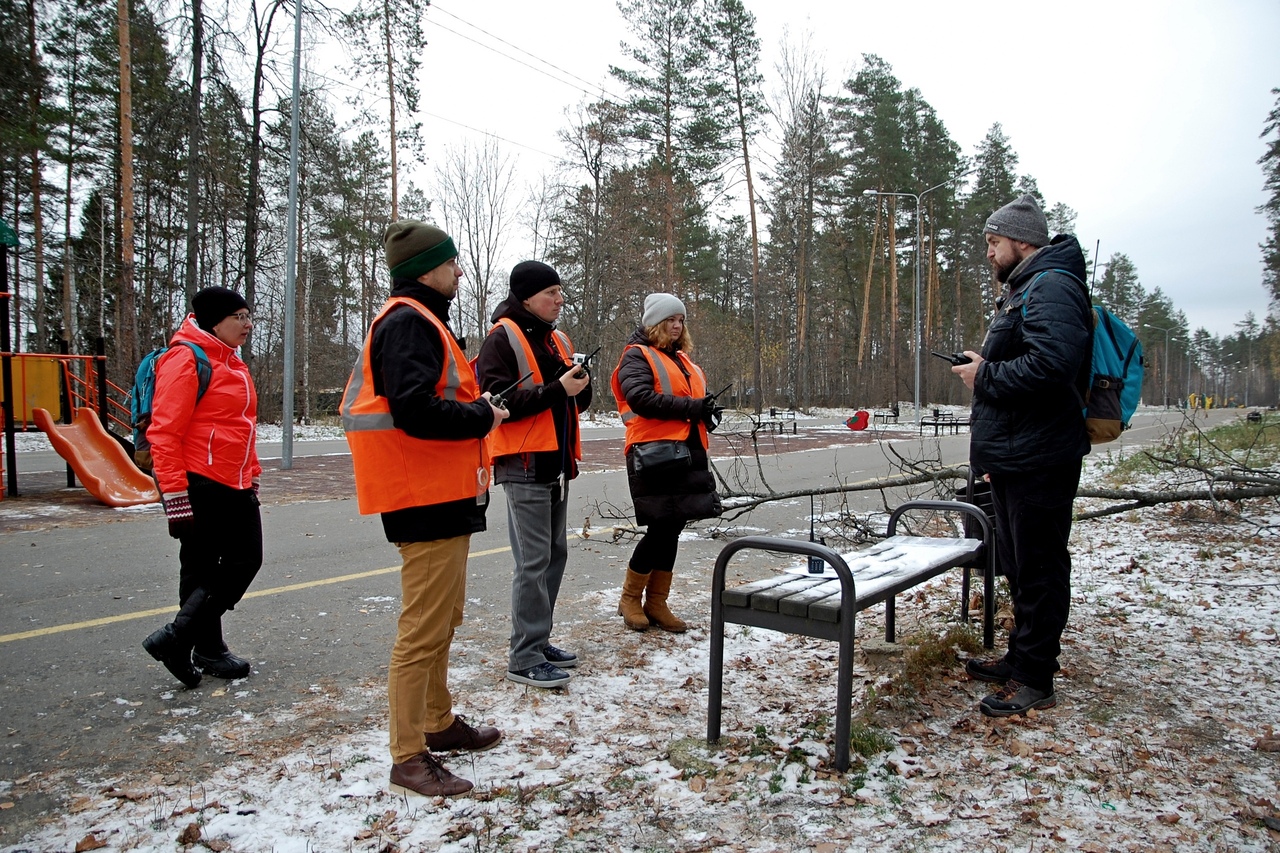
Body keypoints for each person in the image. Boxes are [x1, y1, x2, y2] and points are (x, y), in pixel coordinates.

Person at [341, 220, 509, 797]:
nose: (460, 269)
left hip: (442, 493)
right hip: (423, 497)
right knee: (421, 629)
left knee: (442, 619)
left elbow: (426, 402)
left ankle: (437, 724)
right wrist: (484, 416)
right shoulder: (409, 323)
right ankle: (407, 753)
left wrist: (476, 410)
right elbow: (413, 410)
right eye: (452, 261)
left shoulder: (422, 320)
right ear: (426, 269)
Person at [949, 194, 1093, 718]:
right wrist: (987, 365)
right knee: (1019, 565)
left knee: (1039, 566)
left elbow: (1052, 367)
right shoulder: (1028, 287)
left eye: (993, 242)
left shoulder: (1052, 286)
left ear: (1022, 241)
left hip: (1041, 457)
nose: (988, 253)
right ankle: (1021, 658)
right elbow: (1033, 362)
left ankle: (1037, 677)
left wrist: (984, 375)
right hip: (1018, 454)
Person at [475, 261, 592, 689]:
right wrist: (558, 389)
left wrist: (580, 384)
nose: (559, 299)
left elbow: (574, 404)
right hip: (523, 465)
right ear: (526, 297)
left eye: (561, 291)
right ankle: (523, 655)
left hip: (557, 465)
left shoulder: (557, 338)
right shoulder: (500, 339)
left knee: (554, 556)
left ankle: (539, 643)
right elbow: (498, 404)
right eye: (551, 292)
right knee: (533, 561)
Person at [142, 287, 263, 688]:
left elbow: (241, 427)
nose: (247, 324)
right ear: (215, 321)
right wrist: (175, 497)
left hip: (236, 481)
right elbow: (164, 432)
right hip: (199, 481)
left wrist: (253, 470)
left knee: (246, 559)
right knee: (200, 566)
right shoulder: (186, 358)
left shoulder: (233, 362)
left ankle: (180, 638)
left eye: (248, 316)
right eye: (239, 317)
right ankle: (206, 646)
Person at [610, 293, 722, 633]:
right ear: (654, 323)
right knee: (661, 526)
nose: (677, 325)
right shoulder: (637, 355)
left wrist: (707, 411)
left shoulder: (683, 360)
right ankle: (631, 598)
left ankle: (657, 601)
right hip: (655, 455)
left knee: (674, 526)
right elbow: (640, 398)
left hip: (686, 452)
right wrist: (692, 408)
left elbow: (690, 403)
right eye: (671, 320)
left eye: (681, 320)